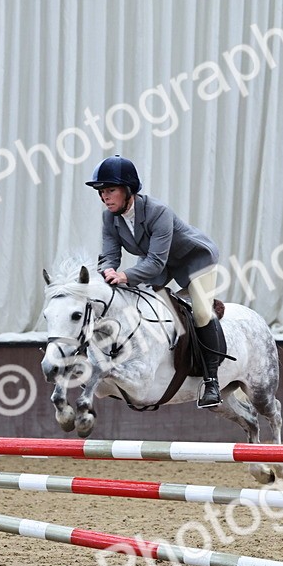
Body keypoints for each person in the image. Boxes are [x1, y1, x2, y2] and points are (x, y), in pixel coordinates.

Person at [86, 154, 226, 408]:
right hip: (158, 262)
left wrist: (125, 275)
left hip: (194, 260)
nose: (105, 197)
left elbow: (155, 263)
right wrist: (107, 273)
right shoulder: (110, 218)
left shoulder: (158, 212)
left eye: (110, 190)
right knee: (136, 300)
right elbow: (109, 256)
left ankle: (211, 382)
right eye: (102, 191)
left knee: (202, 312)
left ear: (128, 190)